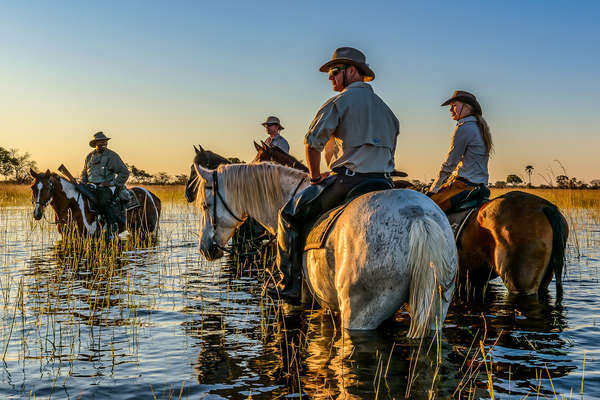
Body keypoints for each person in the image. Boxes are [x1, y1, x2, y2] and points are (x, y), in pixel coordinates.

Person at [268, 47, 400, 302]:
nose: (331, 78)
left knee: (287, 216)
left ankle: (289, 284)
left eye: (334, 72)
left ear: (352, 71)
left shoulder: (339, 103)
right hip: (384, 182)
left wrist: (316, 177)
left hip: (349, 181)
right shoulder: (388, 111)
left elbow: (311, 142)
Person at [427, 91, 492, 212]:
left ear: (467, 107)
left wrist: (434, 188)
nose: (450, 110)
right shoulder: (480, 127)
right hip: (481, 185)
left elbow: (449, 164)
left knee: (428, 208)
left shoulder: (464, 128)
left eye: (454, 105)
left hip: (464, 186)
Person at [81, 131, 130, 237]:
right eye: (101, 141)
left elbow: (124, 172)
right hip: (91, 186)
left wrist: (112, 183)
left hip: (108, 187)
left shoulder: (112, 156)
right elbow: (84, 173)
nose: (104, 143)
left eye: (105, 141)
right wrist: (82, 184)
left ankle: (112, 225)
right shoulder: (89, 156)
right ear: (95, 143)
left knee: (102, 200)